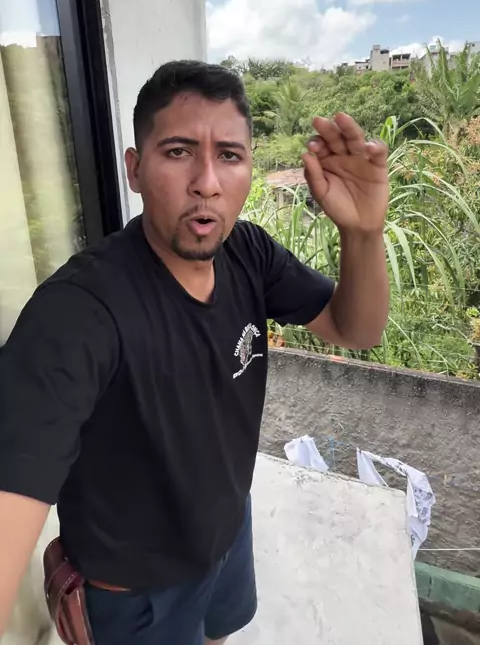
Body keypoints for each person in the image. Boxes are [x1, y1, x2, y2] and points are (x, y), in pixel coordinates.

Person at [0, 61, 389, 644]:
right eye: (179, 151)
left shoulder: (248, 253)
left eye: (229, 155)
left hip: (228, 531)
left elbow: (354, 329)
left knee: (218, 634)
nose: (207, 182)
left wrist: (362, 233)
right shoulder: (78, 313)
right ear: (134, 169)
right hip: (136, 592)